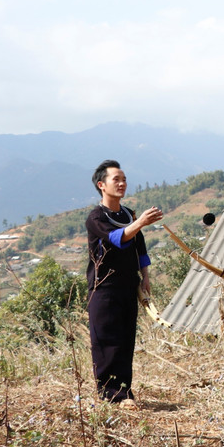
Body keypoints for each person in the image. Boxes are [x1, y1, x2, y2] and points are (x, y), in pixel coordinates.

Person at [85, 159, 163, 408]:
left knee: (125, 340)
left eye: (124, 179)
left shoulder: (128, 213)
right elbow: (117, 238)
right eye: (116, 179)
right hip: (105, 287)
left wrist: (146, 276)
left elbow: (139, 246)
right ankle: (109, 394)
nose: (122, 183)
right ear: (101, 185)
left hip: (128, 285)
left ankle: (124, 392)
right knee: (107, 340)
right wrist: (140, 223)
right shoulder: (97, 217)